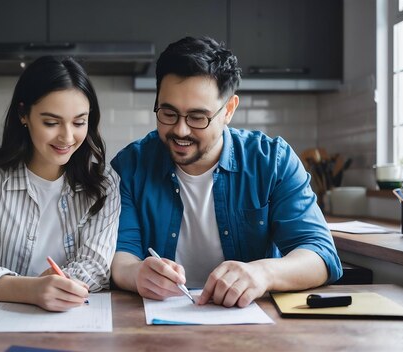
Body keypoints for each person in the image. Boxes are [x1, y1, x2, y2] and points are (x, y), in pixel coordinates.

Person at [110, 36, 342, 308]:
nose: (181, 130)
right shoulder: (130, 166)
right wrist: (136, 274)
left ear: (229, 110)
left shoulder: (271, 161)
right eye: (168, 113)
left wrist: (262, 273)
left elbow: (321, 254)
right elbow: (122, 255)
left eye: (198, 117)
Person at [0, 56, 121, 312]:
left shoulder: (104, 183)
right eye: (51, 123)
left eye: (79, 122)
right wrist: (31, 290)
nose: (68, 137)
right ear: (23, 114)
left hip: (74, 320)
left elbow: (95, 267)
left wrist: (52, 288)